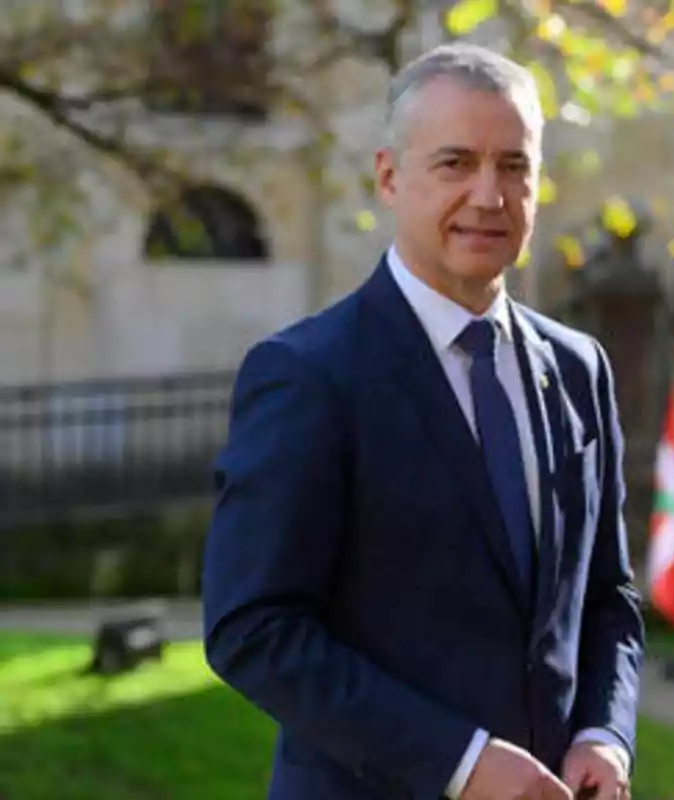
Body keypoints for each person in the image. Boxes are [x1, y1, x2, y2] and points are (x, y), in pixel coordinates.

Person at [201, 42, 645, 800]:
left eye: (513, 166)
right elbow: (254, 628)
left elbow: (608, 598)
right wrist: (462, 762)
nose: (488, 195)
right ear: (388, 177)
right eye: (455, 163)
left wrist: (606, 734)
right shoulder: (309, 375)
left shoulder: (579, 369)